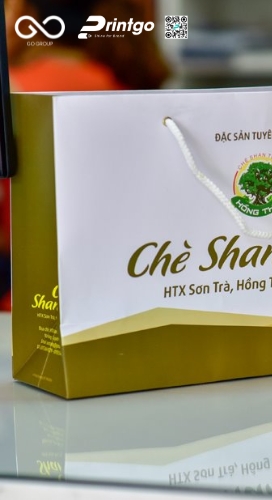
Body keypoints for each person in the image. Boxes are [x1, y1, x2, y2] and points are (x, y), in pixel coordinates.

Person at [0, 0, 171, 309]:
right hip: (114, 277)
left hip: (28, 282)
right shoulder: (112, 80)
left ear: (30, 19)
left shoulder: (18, 86)